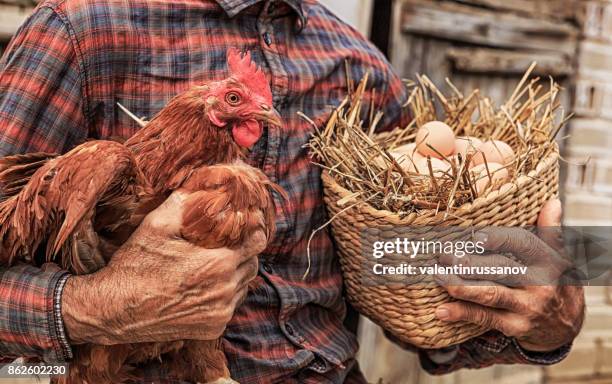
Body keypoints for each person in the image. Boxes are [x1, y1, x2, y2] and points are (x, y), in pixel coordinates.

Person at [0, 0, 584, 383]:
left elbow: (405, 274)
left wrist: (547, 318)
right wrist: (91, 307)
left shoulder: (361, 68)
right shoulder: (78, 32)